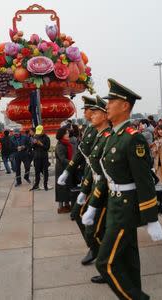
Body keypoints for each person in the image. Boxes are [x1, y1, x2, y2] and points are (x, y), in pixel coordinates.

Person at [85, 78, 162, 299]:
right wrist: (93, 205)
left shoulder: (133, 138)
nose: (107, 104)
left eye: (112, 101)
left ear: (125, 106)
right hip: (114, 204)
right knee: (128, 260)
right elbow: (107, 175)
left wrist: (152, 217)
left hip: (126, 209)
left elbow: (144, 181)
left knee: (105, 263)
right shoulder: (113, 136)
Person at [57, 96, 98, 265]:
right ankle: (95, 247)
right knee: (78, 214)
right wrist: (68, 171)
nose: (85, 112)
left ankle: (101, 253)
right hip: (90, 177)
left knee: (88, 217)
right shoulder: (89, 130)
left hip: (101, 181)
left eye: (87, 109)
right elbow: (82, 154)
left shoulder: (102, 131)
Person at [79, 96, 112, 284]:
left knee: (100, 230)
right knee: (96, 228)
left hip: (109, 191)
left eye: (96, 111)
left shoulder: (109, 137)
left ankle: (106, 264)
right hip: (97, 185)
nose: (91, 115)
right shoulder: (99, 135)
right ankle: (104, 261)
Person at [55, 127, 73, 213]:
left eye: (68, 133)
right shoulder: (60, 145)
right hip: (61, 169)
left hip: (66, 168)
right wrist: (73, 163)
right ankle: (61, 207)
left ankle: (67, 205)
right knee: (61, 188)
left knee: (67, 187)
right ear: (62, 135)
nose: (68, 134)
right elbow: (62, 159)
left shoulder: (66, 144)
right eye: (66, 133)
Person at [30, 125, 51, 191]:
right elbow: (32, 147)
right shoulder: (35, 136)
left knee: (45, 171)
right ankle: (36, 184)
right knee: (37, 171)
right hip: (36, 157)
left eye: (40, 132)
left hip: (44, 157)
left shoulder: (46, 138)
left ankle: (45, 184)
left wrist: (41, 144)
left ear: (43, 130)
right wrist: (34, 143)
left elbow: (47, 148)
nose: (39, 133)